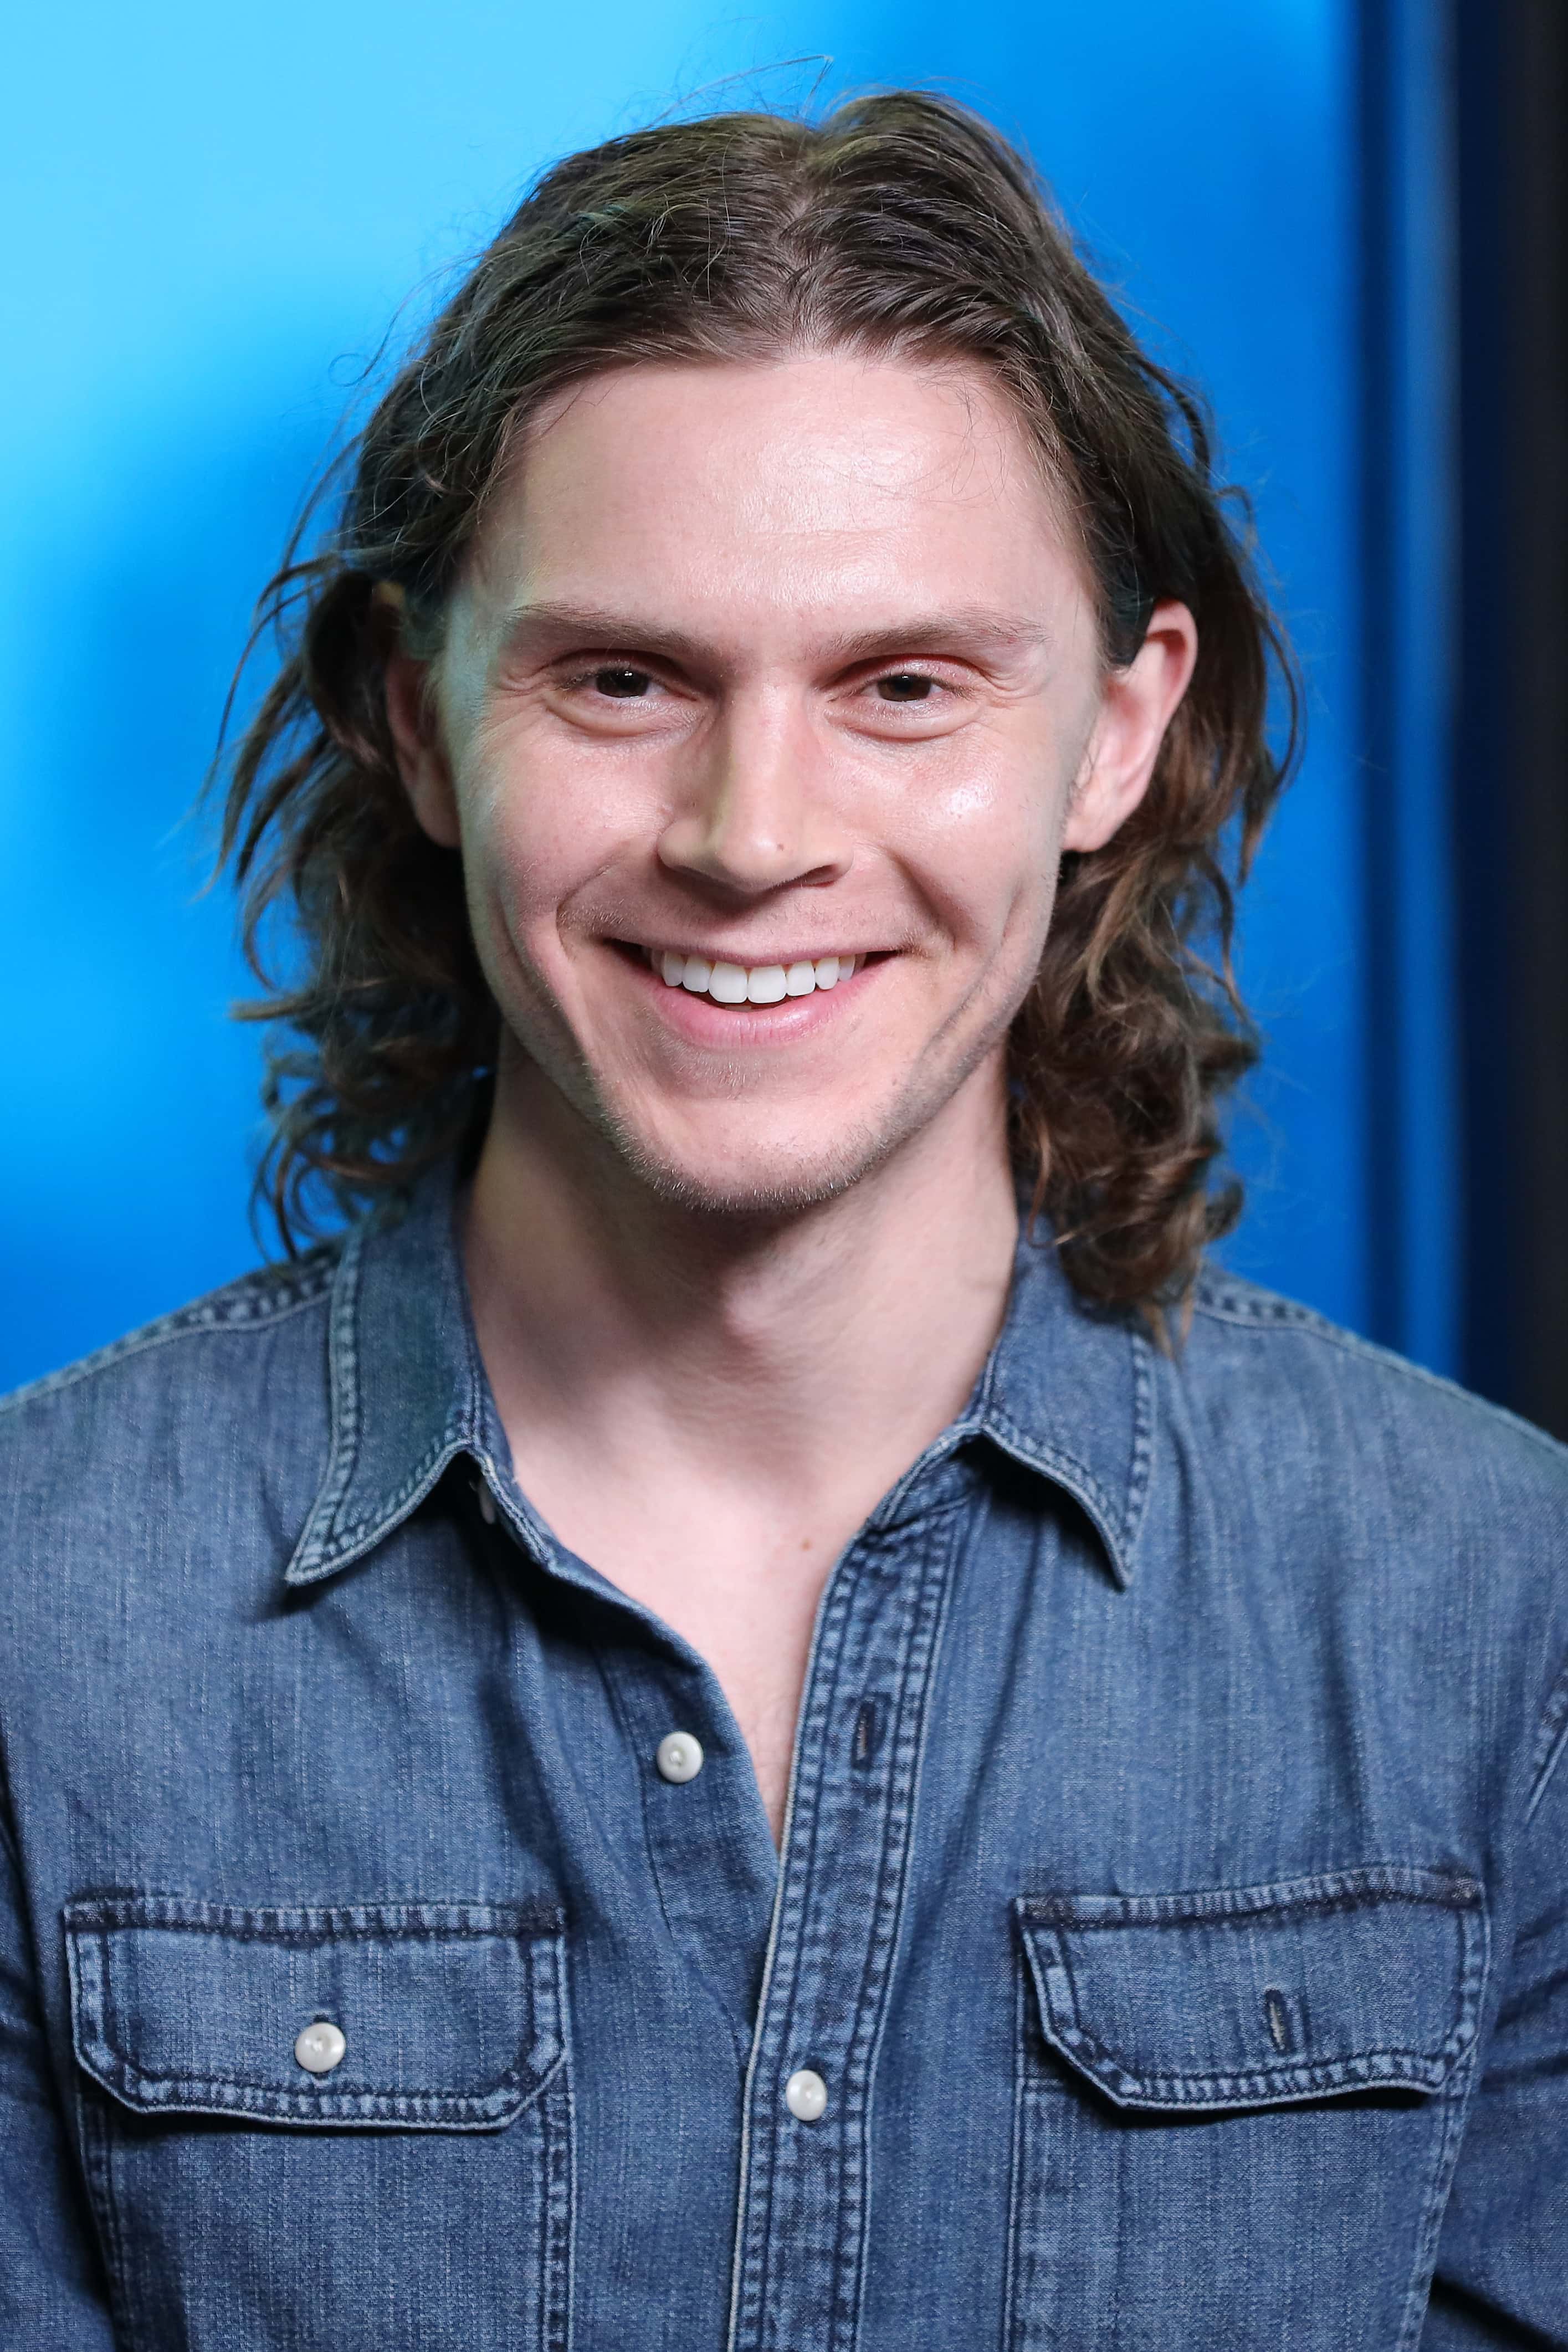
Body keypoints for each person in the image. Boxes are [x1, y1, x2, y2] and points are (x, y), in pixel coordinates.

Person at [1, 90, 1563, 2352]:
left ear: (1120, 729)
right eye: (623, 680)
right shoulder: (36, 1625)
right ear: (417, 720)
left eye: (904, 687)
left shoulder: (1503, 1629)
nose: (753, 837)